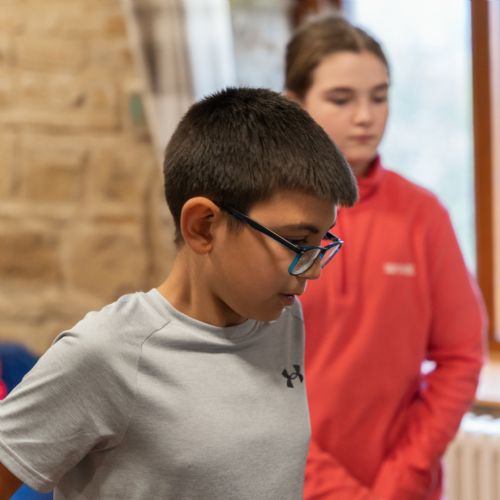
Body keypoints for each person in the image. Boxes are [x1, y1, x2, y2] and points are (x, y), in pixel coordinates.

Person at [0, 87, 358, 500]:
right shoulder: (108, 353)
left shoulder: (282, 319)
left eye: (320, 242)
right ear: (202, 226)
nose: (312, 268)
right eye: (295, 242)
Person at [285, 14, 486, 500]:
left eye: (379, 97)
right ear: (295, 104)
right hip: (286, 482)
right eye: (341, 99)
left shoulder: (422, 214)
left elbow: (461, 355)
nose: (365, 116)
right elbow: (244, 375)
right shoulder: (265, 217)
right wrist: (327, 486)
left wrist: (405, 474)